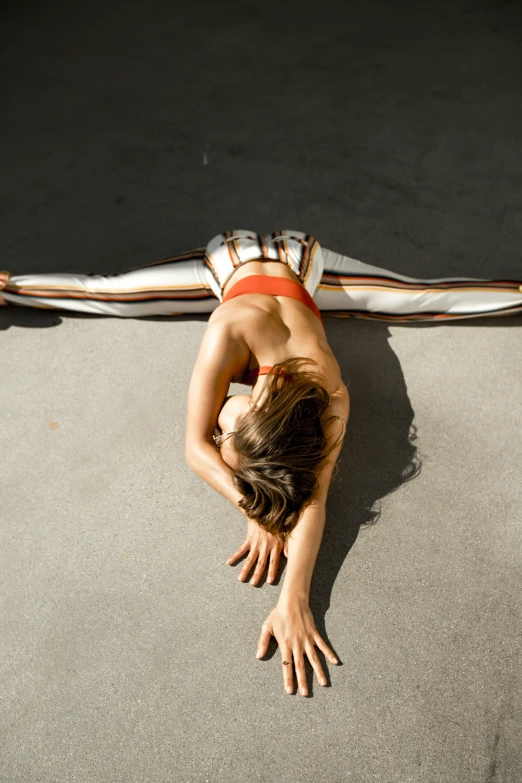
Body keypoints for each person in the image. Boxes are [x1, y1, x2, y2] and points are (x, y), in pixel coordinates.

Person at [2, 229, 522, 697]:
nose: (219, 429)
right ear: (253, 409)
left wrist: (296, 597)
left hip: (304, 263)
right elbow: (195, 447)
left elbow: (313, 497)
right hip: (233, 258)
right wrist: (255, 507)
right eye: (227, 430)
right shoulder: (227, 331)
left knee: (424, 299)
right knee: (103, 293)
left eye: (224, 430)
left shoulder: (331, 393)